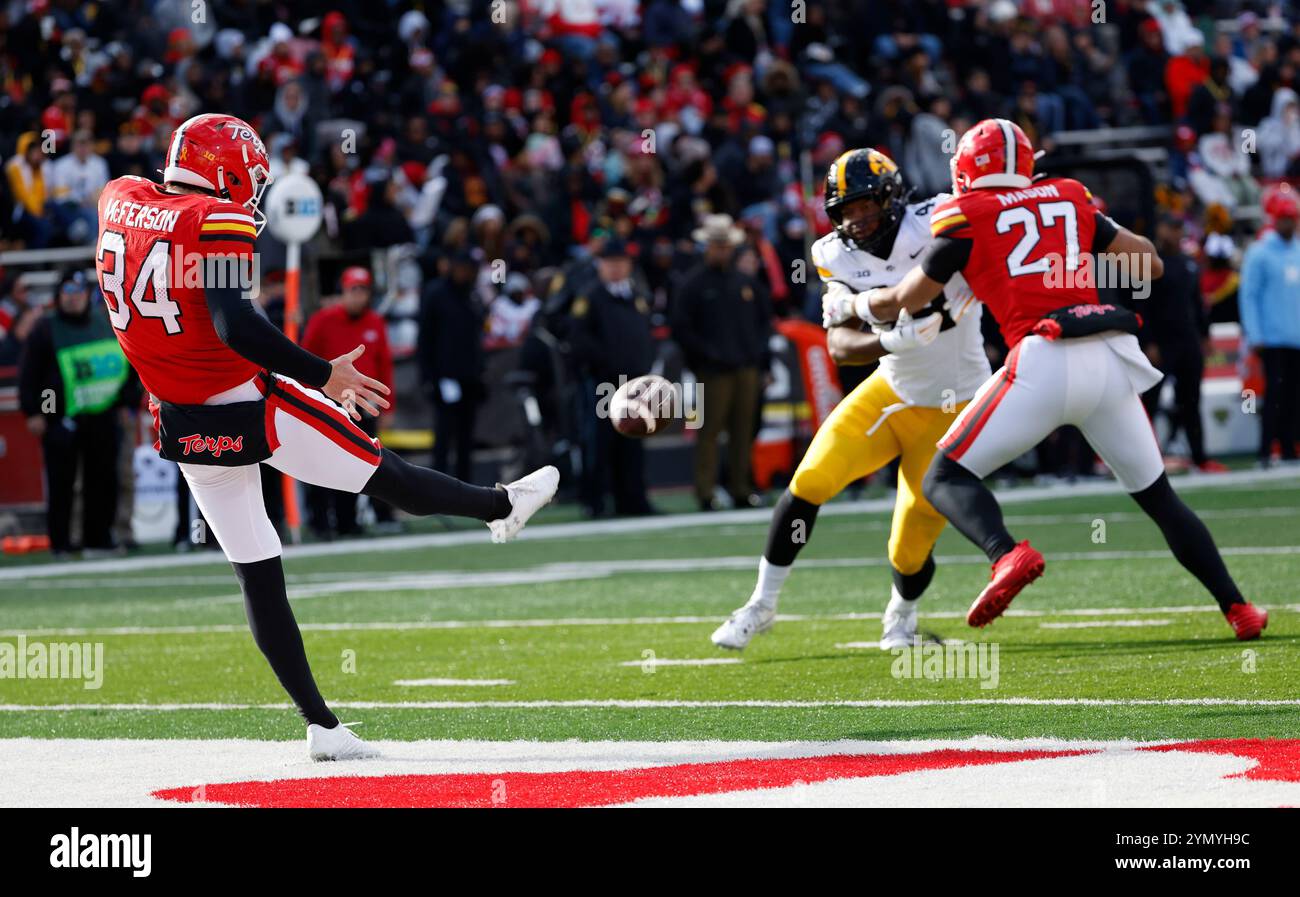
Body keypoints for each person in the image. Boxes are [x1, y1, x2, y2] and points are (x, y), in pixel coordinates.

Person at [94, 114, 558, 761]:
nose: (248, 197)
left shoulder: (117, 198)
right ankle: (502, 507)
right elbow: (236, 325)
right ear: (224, 172)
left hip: (180, 418)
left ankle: (321, 724)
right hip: (252, 401)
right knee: (383, 474)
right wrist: (324, 372)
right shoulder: (213, 219)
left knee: (258, 573)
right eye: (246, 181)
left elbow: (160, 250)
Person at [851, 118, 1267, 641]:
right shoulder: (1070, 195)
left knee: (943, 478)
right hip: (1107, 359)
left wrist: (857, 302)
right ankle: (1238, 608)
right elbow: (1150, 265)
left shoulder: (965, 213)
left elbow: (903, 300)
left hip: (1041, 359)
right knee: (1160, 498)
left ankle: (1007, 554)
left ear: (966, 171)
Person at [712, 149, 991, 651]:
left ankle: (901, 618)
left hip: (956, 407)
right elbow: (840, 346)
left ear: (892, 197)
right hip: (892, 391)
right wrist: (890, 341)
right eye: (845, 211)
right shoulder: (832, 254)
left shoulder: (937, 220)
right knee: (809, 481)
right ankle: (761, 604)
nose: (856, 220)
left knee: (908, 547)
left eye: (865, 205)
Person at [18, 269, 133, 556]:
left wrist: (124, 403)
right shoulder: (46, 328)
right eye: (66, 293)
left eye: (78, 293)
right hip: (60, 417)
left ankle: (98, 539)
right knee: (62, 483)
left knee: (103, 479)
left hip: (103, 413)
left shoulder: (105, 322)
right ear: (58, 297)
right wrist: (38, 413)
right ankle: (61, 543)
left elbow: (128, 366)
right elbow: (33, 376)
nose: (73, 299)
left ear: (87, 295)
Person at [672, 214, 771, 511]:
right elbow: (681, 328)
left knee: (744, 431)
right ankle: (706, 492)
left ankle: (741, 488)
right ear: (707, 247)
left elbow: (764, 323)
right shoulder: (692, 285)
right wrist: (704, 356)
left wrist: (759, 360)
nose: (721, 251)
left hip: (746, 368)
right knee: (709, 432)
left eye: (725, 246)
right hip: (711, 372)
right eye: (716, 246)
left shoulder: (746, 283)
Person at [301, 266, 397, 536]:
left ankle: (348, 521)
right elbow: (305, 359)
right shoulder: (323, 320)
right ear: (343, 291)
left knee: (358, 464)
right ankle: (320, 522)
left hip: (363, 407)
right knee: (320, 466)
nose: (358, 296)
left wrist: (390, 404)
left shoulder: (375, 322)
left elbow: (384, 364)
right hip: (327, 405)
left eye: (363, 290)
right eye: (353, 289)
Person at [568, 238, 655, 517]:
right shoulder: (590, 297)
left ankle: (633, 500)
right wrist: (606, 363)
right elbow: (578, 339)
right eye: (610, 263)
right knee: (600, 442)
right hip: (604, 382)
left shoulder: (636, 295)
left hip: (634, 382)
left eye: (621, 263)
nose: (616, 268)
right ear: (600, 265)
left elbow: (644, 336)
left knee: (633, 442)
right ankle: (595, 502)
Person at [1141, 216, 1226, 473]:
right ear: (1159, 229)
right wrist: (1148, 342)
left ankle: (1200, 457)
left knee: (1191, 400)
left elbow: (1198, 304)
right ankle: (1143, 460)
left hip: (1188, 341)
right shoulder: (1148, 263)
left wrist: (1205, 335)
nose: (1174, 233)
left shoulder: (1189, 263)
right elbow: (1142, 306)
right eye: (1170, 227)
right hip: (1162, 342)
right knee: (1150, 403)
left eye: (1178, 228)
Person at [1239, 189, 1300, 465]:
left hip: (1296, 336)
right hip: (1272, 338)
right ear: (1274, 219)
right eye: (1285, 218)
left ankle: (1289, 449)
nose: (1290, 223)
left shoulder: (1297, 250)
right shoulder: (1260, 252)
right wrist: (1255, 333)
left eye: (1293, 218)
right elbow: (1249, 295)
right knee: (1273, 396)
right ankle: (1265, 451)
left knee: (1294, 396)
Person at [418, 250, 486, 482]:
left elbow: (477, 339)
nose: (465, 273)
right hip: (444, 377)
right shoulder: (435, 293)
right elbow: (425, 337)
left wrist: (480, 374)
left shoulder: (473, 295)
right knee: (444, 435)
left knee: (467, 436)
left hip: (469, 377)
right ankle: (438, 486)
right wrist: (429, 377)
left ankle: (465, 486)